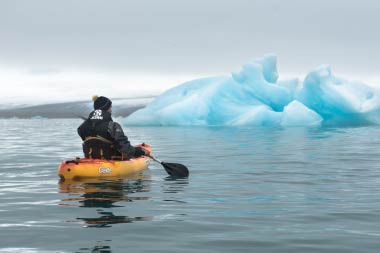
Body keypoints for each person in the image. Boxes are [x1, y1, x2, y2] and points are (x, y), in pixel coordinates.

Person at [77, 95, 148, 160]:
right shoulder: (112, 126)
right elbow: (123, 145)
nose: (111, 110)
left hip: (91, 158)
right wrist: (136, 152)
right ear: (106, 108)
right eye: (110, 107)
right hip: (110, 160)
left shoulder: (82, 127)